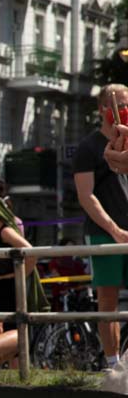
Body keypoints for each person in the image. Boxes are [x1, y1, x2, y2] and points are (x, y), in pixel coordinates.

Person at [74, 83, 128, 370]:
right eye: (120, 104)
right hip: (104, 234)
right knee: (108, 299)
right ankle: (112, 364)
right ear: (103, 109)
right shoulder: (89, 147)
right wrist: (114, 230)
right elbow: (86, 195)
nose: (125, 110)